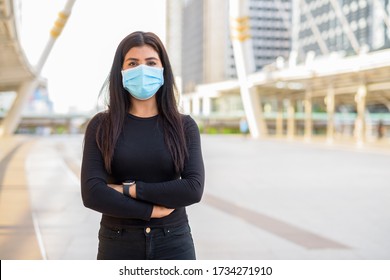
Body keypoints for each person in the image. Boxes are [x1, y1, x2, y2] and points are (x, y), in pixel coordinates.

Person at [81, 31, 205, 260]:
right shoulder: (101, 126)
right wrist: (150, 211)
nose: (142, 70)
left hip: (173, 241)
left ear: (163, 70)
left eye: (150, 63)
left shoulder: (184, 126)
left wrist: (127, 189)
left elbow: (193, 188)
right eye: (132, 63)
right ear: (120, 72)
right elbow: (92, 194)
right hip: (117, 241)